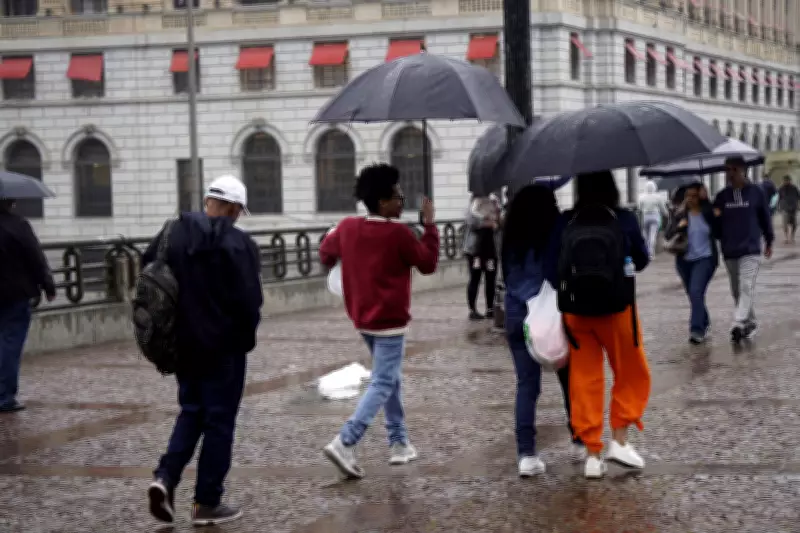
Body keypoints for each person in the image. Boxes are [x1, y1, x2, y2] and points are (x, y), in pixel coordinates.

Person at [145, 175, 263, 526]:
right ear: (231, 207)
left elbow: (149, 273)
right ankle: (206, 503)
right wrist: (245, 340)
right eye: (239, 211)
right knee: (219, 422)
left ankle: (165, 478)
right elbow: (249, 302)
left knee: (191, 411)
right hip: (224, 349)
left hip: (183, 345)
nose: (239, 218)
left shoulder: (172, 233)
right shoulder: (239, 244)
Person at [320, 163, 439, 479]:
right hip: (390, 320)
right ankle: (346, 440)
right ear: (383, 201)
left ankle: (399, 443)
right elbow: (427, 263)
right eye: (398, 196)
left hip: (362, 317)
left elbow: (325, 252)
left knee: (390, 376)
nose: (402, 201)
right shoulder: (398, 233)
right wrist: (429, 226)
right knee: (384, 381)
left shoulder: (347, 227)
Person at [546, 171, 651, 479]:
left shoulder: (566, 220)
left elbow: (552, 268)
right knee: (630, 372)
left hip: (577, 314)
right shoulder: (623, 218)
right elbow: (642, 260)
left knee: (584, 380)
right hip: (617, 310)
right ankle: (619, 440)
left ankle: (592, 453)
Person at [501, 184, 583, 477]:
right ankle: (579, 439)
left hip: (517, 314)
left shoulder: (510, 235)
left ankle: (526, 453)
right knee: (568, 377)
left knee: (526, 386)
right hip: (552, 312)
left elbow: (508, 275)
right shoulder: (556, 229)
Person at [0, 199, 56, 413]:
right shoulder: (19, 226)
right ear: (11, 202)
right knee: (10, 344)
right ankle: (4, 396)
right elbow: (35, 257)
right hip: (15, 294)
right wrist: (48, 285)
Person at [714, 157, 774, 343]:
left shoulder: (756, 192)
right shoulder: (722, 196)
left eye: (733, 170)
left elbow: (765, 217)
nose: (730, 174)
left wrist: (769, 240)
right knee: (736, 290)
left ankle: (738, 322)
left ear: (743, 170)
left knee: (746, 285)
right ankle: (751, 322)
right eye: (727, 170)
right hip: (730, 249)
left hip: (750, 249)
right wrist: (713, 214)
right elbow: (716, 227)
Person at [664, 184, 719, 344]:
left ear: (700, 196)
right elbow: (668, 234)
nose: (690, 199)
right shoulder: (680, 214)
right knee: (694, 295)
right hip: (684, 261)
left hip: (705, 259)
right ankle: (704, 320)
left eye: (694, 195)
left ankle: (697, 330)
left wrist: (708, 200)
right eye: (688, 195)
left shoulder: (708, 212)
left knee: (696, 292)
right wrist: (678, 226)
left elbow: (719, 230)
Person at [462, 195, 499, 320]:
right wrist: (485, 220)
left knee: (491, 279)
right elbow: (470, 221)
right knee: (475, 278)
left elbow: (498, 221)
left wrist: (495, 215)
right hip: (475, 250)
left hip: (491, 249)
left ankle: (490, 308)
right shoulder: (473, 202)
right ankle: (472, 309)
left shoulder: (494, 201)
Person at [638, 179, 668, 258]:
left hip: (645, 216)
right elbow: (663, 209)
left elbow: (639, 209)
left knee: (645, 236)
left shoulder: (642, 197)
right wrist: (666, 214)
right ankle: (651, 253)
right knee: (652, 235)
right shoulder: (658, 197)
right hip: (655, 216)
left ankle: (645, 252)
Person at [778, 175, 800, 244]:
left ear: (790, 180)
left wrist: (798, 205)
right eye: (785, 180)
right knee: (785, 224)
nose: (786, 182)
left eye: (787, 180)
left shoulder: (794, 188)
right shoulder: (781, 189)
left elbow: (798, 197)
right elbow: (779, 198)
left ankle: (792, 236)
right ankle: (786, 238)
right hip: (785, 208)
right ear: (783, 181)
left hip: (793, 208)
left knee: (795, 224)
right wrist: (779, 206)